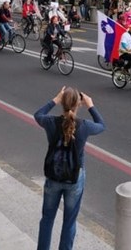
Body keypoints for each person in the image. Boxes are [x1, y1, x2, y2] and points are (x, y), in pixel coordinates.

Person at [34, 87, 106, 250]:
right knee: (69, 222)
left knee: (47, 219)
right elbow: (102, 125)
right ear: (78, 104)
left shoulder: (51, 122)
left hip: (53, 177)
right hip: (74, 179)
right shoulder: (84, 126)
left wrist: (55, 99)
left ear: (62, 103)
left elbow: (37, 115)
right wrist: (91, 106)